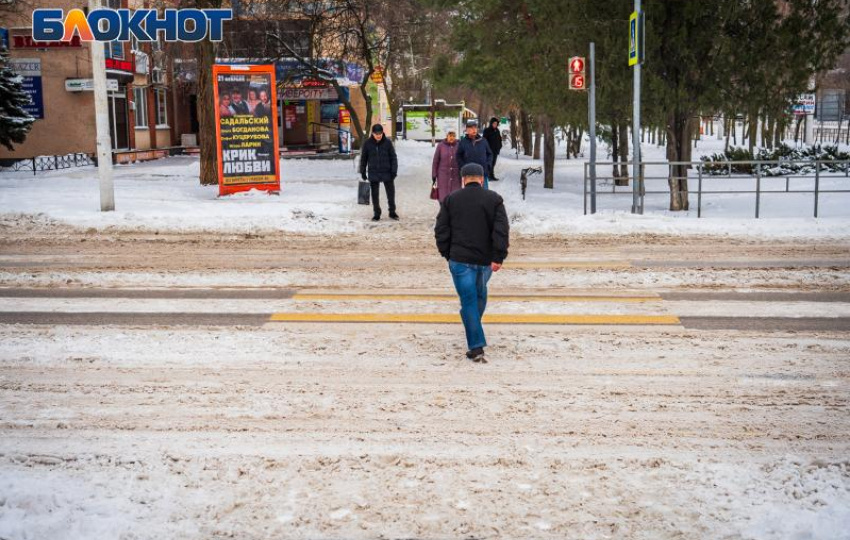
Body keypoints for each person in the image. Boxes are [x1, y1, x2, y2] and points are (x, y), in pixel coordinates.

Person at [435, 162, 510, 363]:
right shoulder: (494, 200)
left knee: (470, 301)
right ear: (481, 178)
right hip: (485, 261)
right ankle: (476, 346)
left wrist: (447, 253)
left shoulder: (451, 200)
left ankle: (472, 329)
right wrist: (498, 257)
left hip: (459, 260)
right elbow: (501, 231)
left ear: (463, 179)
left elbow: (441, 230)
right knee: (479, 296)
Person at [359, 124, 399, 221]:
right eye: (376, 133)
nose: (378, 135)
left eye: (380, 133)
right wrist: (363, 171)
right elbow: (363, 159)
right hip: (373, 172)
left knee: (390, 194)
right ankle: (377, 213)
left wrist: (394, 171)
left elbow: (393, 158)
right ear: (372, 133)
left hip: (387, 172)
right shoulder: (367, 143)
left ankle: (392, 212)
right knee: (375, 195)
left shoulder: (388, 143)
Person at [456, 119, 494, 189]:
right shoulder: (463, 142)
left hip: (482, 173)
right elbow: (458, 156)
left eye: (475, 127)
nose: (474, 130)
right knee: (469, 196)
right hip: (469, 175)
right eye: (471, 128)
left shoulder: (483, 141)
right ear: (467, 130)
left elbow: (490, 154)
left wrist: (488, 165)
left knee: (483, 195)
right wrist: (463, 167)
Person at [431, 130, 462, 203]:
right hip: (443, 175)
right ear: (447, 136)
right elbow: (436, 161)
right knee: (443, 195)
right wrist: (434, 174)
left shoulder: (459, 145)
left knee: (455, 195)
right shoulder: (440, 145)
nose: (452, 138)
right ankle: (443, 210)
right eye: (450, 136)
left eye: (453, 136)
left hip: (456, 175)